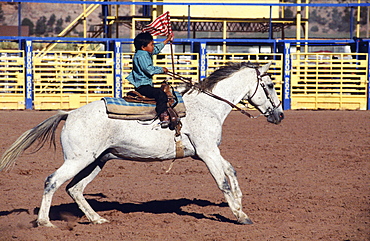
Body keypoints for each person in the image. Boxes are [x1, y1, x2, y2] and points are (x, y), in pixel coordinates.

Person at [126, 31, 174, 128]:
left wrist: (166, 40)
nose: (153, 46)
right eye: (151, 44)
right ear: (144, 47)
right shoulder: (142, 55)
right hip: (142, 86)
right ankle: (163, 116)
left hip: (144, 84)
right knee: (161, 94)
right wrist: (161, 69)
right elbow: (148, 69)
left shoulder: (144, 52)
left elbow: (155, 49)